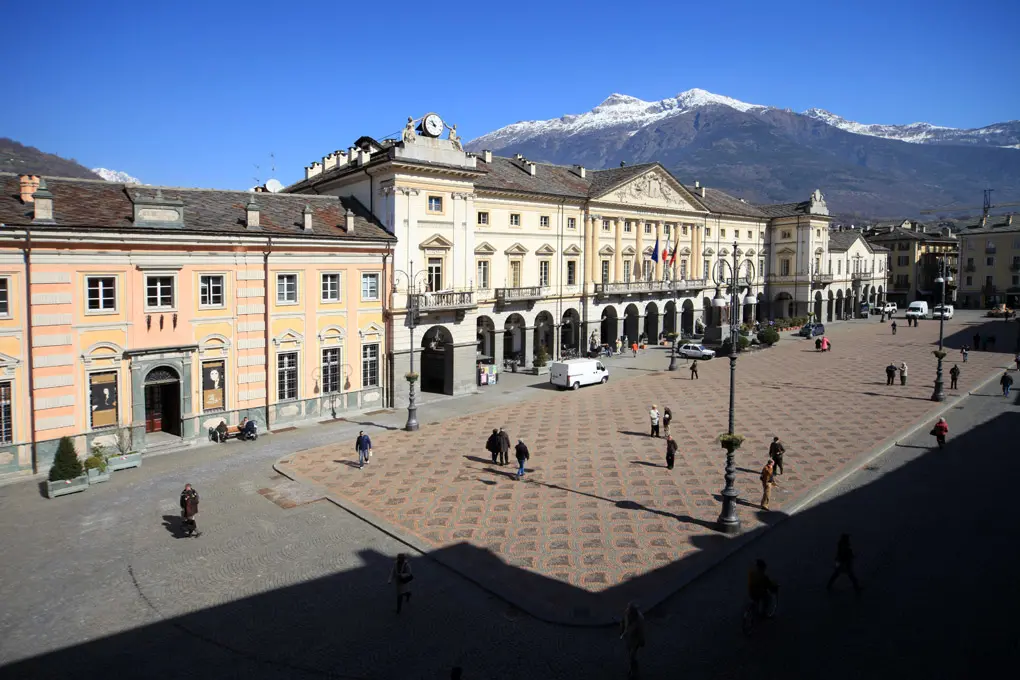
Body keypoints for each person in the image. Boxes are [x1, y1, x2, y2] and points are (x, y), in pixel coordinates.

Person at [619, 602, 645, 679]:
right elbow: (623, 622)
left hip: (635, 641)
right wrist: (622, 630)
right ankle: (632, 670)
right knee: (630, 655)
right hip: (628, 638)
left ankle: (634, 672)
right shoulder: (627, 614)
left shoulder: (639, 620)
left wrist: (641, 640)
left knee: (632, 656)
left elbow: (641, 632)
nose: (627, 610)